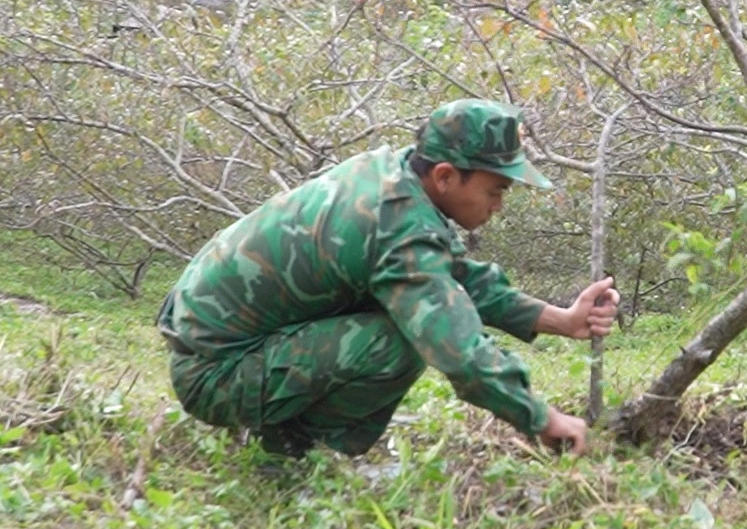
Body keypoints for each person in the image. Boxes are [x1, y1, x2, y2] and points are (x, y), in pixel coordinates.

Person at [156, 98, 620, 459]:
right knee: (401, 341)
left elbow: (456, 278)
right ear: (444, 176)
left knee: (410, 316)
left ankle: (287, 434)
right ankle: (296, 455)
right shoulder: (398, 228)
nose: (499, 205)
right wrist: (540, 418)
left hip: (210, 344)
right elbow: (459, 350)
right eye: (495, 190)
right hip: (213, 372)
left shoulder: (395, 177)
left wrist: (560, 319)